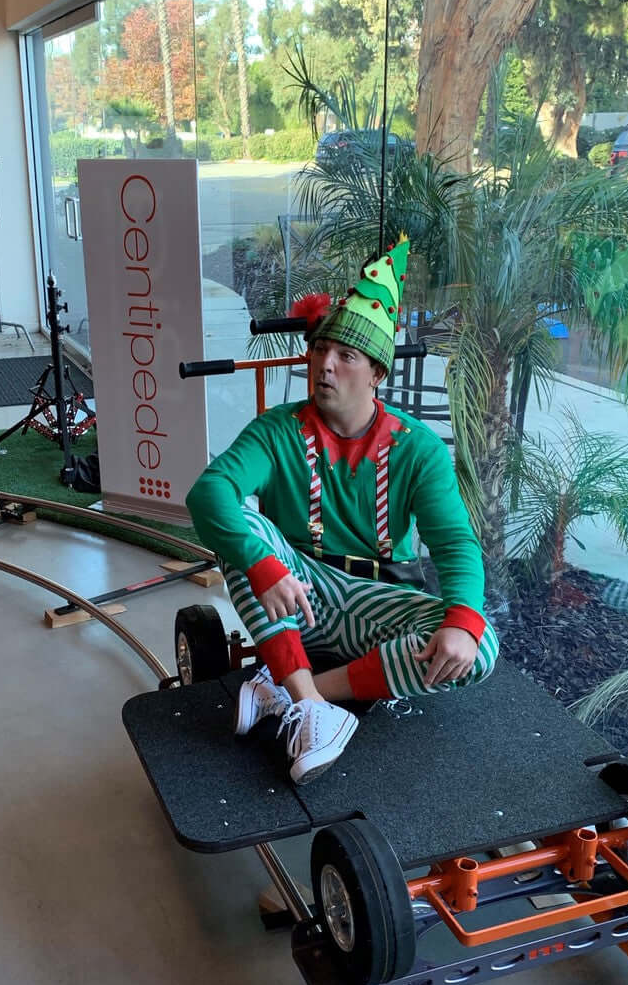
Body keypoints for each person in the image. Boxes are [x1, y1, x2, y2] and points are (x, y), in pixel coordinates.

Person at [185, 236, 499, 785]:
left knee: (479, 645)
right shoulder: (278, 430)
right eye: (319, 350)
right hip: (297, 595)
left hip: (376, 601)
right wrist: (263, 564)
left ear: (377, 373)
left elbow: (455, 546)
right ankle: (307, 703)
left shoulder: (417, 448)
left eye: (346, 356)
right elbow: (208, 495)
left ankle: (291, 692)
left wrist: (464, 625)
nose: (324, 365)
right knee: (246, 528)